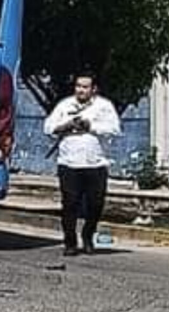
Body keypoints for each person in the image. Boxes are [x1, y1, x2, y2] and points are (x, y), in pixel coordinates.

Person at [43, 71, 122, 256]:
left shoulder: (104, 106)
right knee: (70, 204)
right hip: (69, 163)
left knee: (96, 204)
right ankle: (70, 242)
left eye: (85, 87)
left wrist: (91, 126)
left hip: (95, 163)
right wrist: (66, 125)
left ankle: (88, 236)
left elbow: (115, 130)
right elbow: (48, 127)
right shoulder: (65, 105)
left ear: (93, 89)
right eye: (78, 86)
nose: (81, 90)